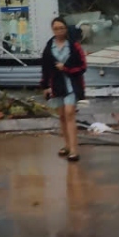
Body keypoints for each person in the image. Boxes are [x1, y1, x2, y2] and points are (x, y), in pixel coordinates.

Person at [41, 17, 87, 162]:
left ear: (66, 29)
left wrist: (66, 68)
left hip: (72, 84)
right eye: (56, 28)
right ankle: (67, 145)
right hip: (57, 85)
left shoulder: (73, 46)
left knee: (69, 114)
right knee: (62, 116)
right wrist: (45, 86)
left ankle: (74, 150)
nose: (59, 31)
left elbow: (82, 66)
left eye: (62, 28)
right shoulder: (49, 47)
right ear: (52, 30)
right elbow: (45, 68)